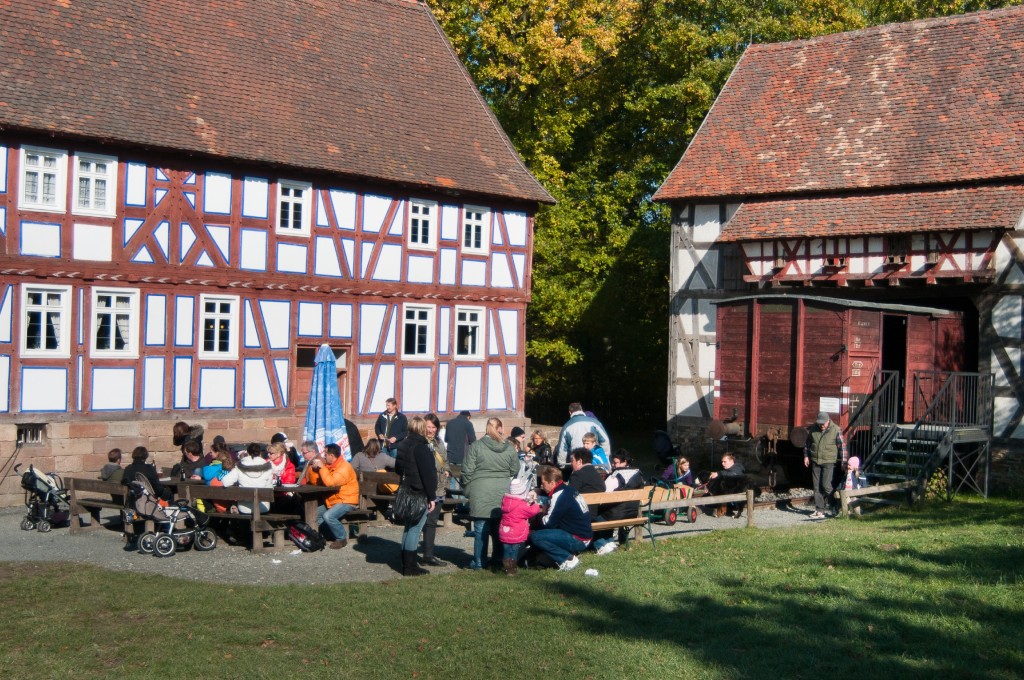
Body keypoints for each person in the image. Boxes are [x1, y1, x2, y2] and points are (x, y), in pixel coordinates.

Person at [461, 417, 519, 570]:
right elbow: (515, 469)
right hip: (502, 490)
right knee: (499, 527)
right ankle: (498, 558)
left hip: (480, 489)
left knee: (481, 527)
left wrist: (467, 488)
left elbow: (467, 471)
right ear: (500, 428)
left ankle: (479, 562)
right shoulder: (509, 447)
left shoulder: (476, 446)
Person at [394, 416, 438, 576]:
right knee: (415, 528)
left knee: (408, 526)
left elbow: (398, 468)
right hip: (418, 491)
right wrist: (432, 497)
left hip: (405, 489)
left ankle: (405, 562)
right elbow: (428, 475)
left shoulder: (403, 444)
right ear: (422, 429)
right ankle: (410, 566)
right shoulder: (421, 447)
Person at [529, 465, 592, 571]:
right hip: (584, 534)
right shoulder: (568, 490)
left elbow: (548, 523)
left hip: (578, 539)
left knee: (536, 536)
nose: (541, 486)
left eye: (543, 483)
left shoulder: (558, 496)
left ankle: (567, 559)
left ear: (552, 483)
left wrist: (542, 513)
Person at [307, 443, 359, 549]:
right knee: (316, 513)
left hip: (347, 500)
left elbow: (330, 482)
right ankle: (329, 535)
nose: (324, 457)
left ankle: (341, 538)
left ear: (331, 455)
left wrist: (321, 468)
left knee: (328, 516)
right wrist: (314, 469)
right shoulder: (329, 466)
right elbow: (314, 482)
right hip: (333, 500)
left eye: (325, 454)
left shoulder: (344, 467)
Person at [593, 450, 645, 555]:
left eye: (616, 462)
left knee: (595, 518)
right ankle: (610, 542)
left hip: (616, 514)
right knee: (606, 515)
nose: (613, 464)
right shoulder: (638, 474)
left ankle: (602, 544)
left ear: (624, 462)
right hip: (632, 513)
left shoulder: (616, 476)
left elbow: (604, 494)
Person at [498, 462, 541, 575]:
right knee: (514, 551)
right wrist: (534, 502)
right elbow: (534, 511)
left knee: (506, 550)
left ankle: (506, 568)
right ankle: (512, 569)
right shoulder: (522, 505)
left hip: (505, 531)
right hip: (516, 532)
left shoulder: (505, 501)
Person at [804, 411, 848, 519]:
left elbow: (842, 447)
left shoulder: (836, 429)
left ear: (828, 421)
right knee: (816, 486)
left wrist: (843, 461)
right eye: (819, 423)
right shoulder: (813, 429)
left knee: (826, 486)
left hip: (828, 461)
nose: (821, 425)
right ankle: (819, 510)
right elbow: (808, 444)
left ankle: (834, 507)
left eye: (823, 423)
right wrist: (806, 456)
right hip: (815, 460)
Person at [419, 413, 450, 567]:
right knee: (417, 521)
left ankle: (428, 555)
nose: (430, 430)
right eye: (428, 427)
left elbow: (445, 461)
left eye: (433, 427)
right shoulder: (419, 442)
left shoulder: (439, 442)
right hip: (422, 488)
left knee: (431, 523)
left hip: (438, 488)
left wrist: (447, 470)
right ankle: (409, 554)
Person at [553, 402, 611, 475]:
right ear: (581, 410)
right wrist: (604, 457)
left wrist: (562, 466)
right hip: (596, 465)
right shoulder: (595, 423)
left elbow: (562, 450)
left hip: (577, 464)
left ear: (570, 412)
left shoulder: (566, 427)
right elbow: (605, 441)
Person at [220, 444, 274, 514]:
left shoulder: (239, 466)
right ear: (260, 453)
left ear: (247, 452)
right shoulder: (267, 467)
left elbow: (225, 482)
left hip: (244, 508)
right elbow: (270, 486)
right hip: (263, 508)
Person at [707, 453, 747, 518]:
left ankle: (724, 509)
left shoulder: (737, 469)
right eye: (722, 462)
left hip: (737, 499)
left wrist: (719, 473)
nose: (722, 463)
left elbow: (733, 474)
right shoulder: (729, 470)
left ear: (731, 461)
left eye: (725, 462)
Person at [567, 447, 605, 517]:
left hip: (581, 516)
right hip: (596, 514)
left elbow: (568, 496)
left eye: (572, 461)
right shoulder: (597, 475)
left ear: (579, 461)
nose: (571, 464)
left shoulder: (577, 475)